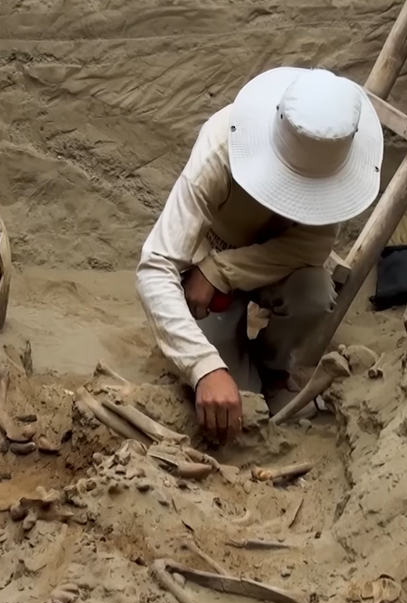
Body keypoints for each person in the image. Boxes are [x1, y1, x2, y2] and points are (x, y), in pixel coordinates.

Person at [135, 66, 384, 443]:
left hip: (259, 271)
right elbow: (155, 266)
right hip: (204, 276)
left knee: (313, 293)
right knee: (235, 402)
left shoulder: (334, 160)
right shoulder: (221, 146)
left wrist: (221, 271)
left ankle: (274, 368)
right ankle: (232, 357)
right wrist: (204, 367)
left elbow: (312, 247)